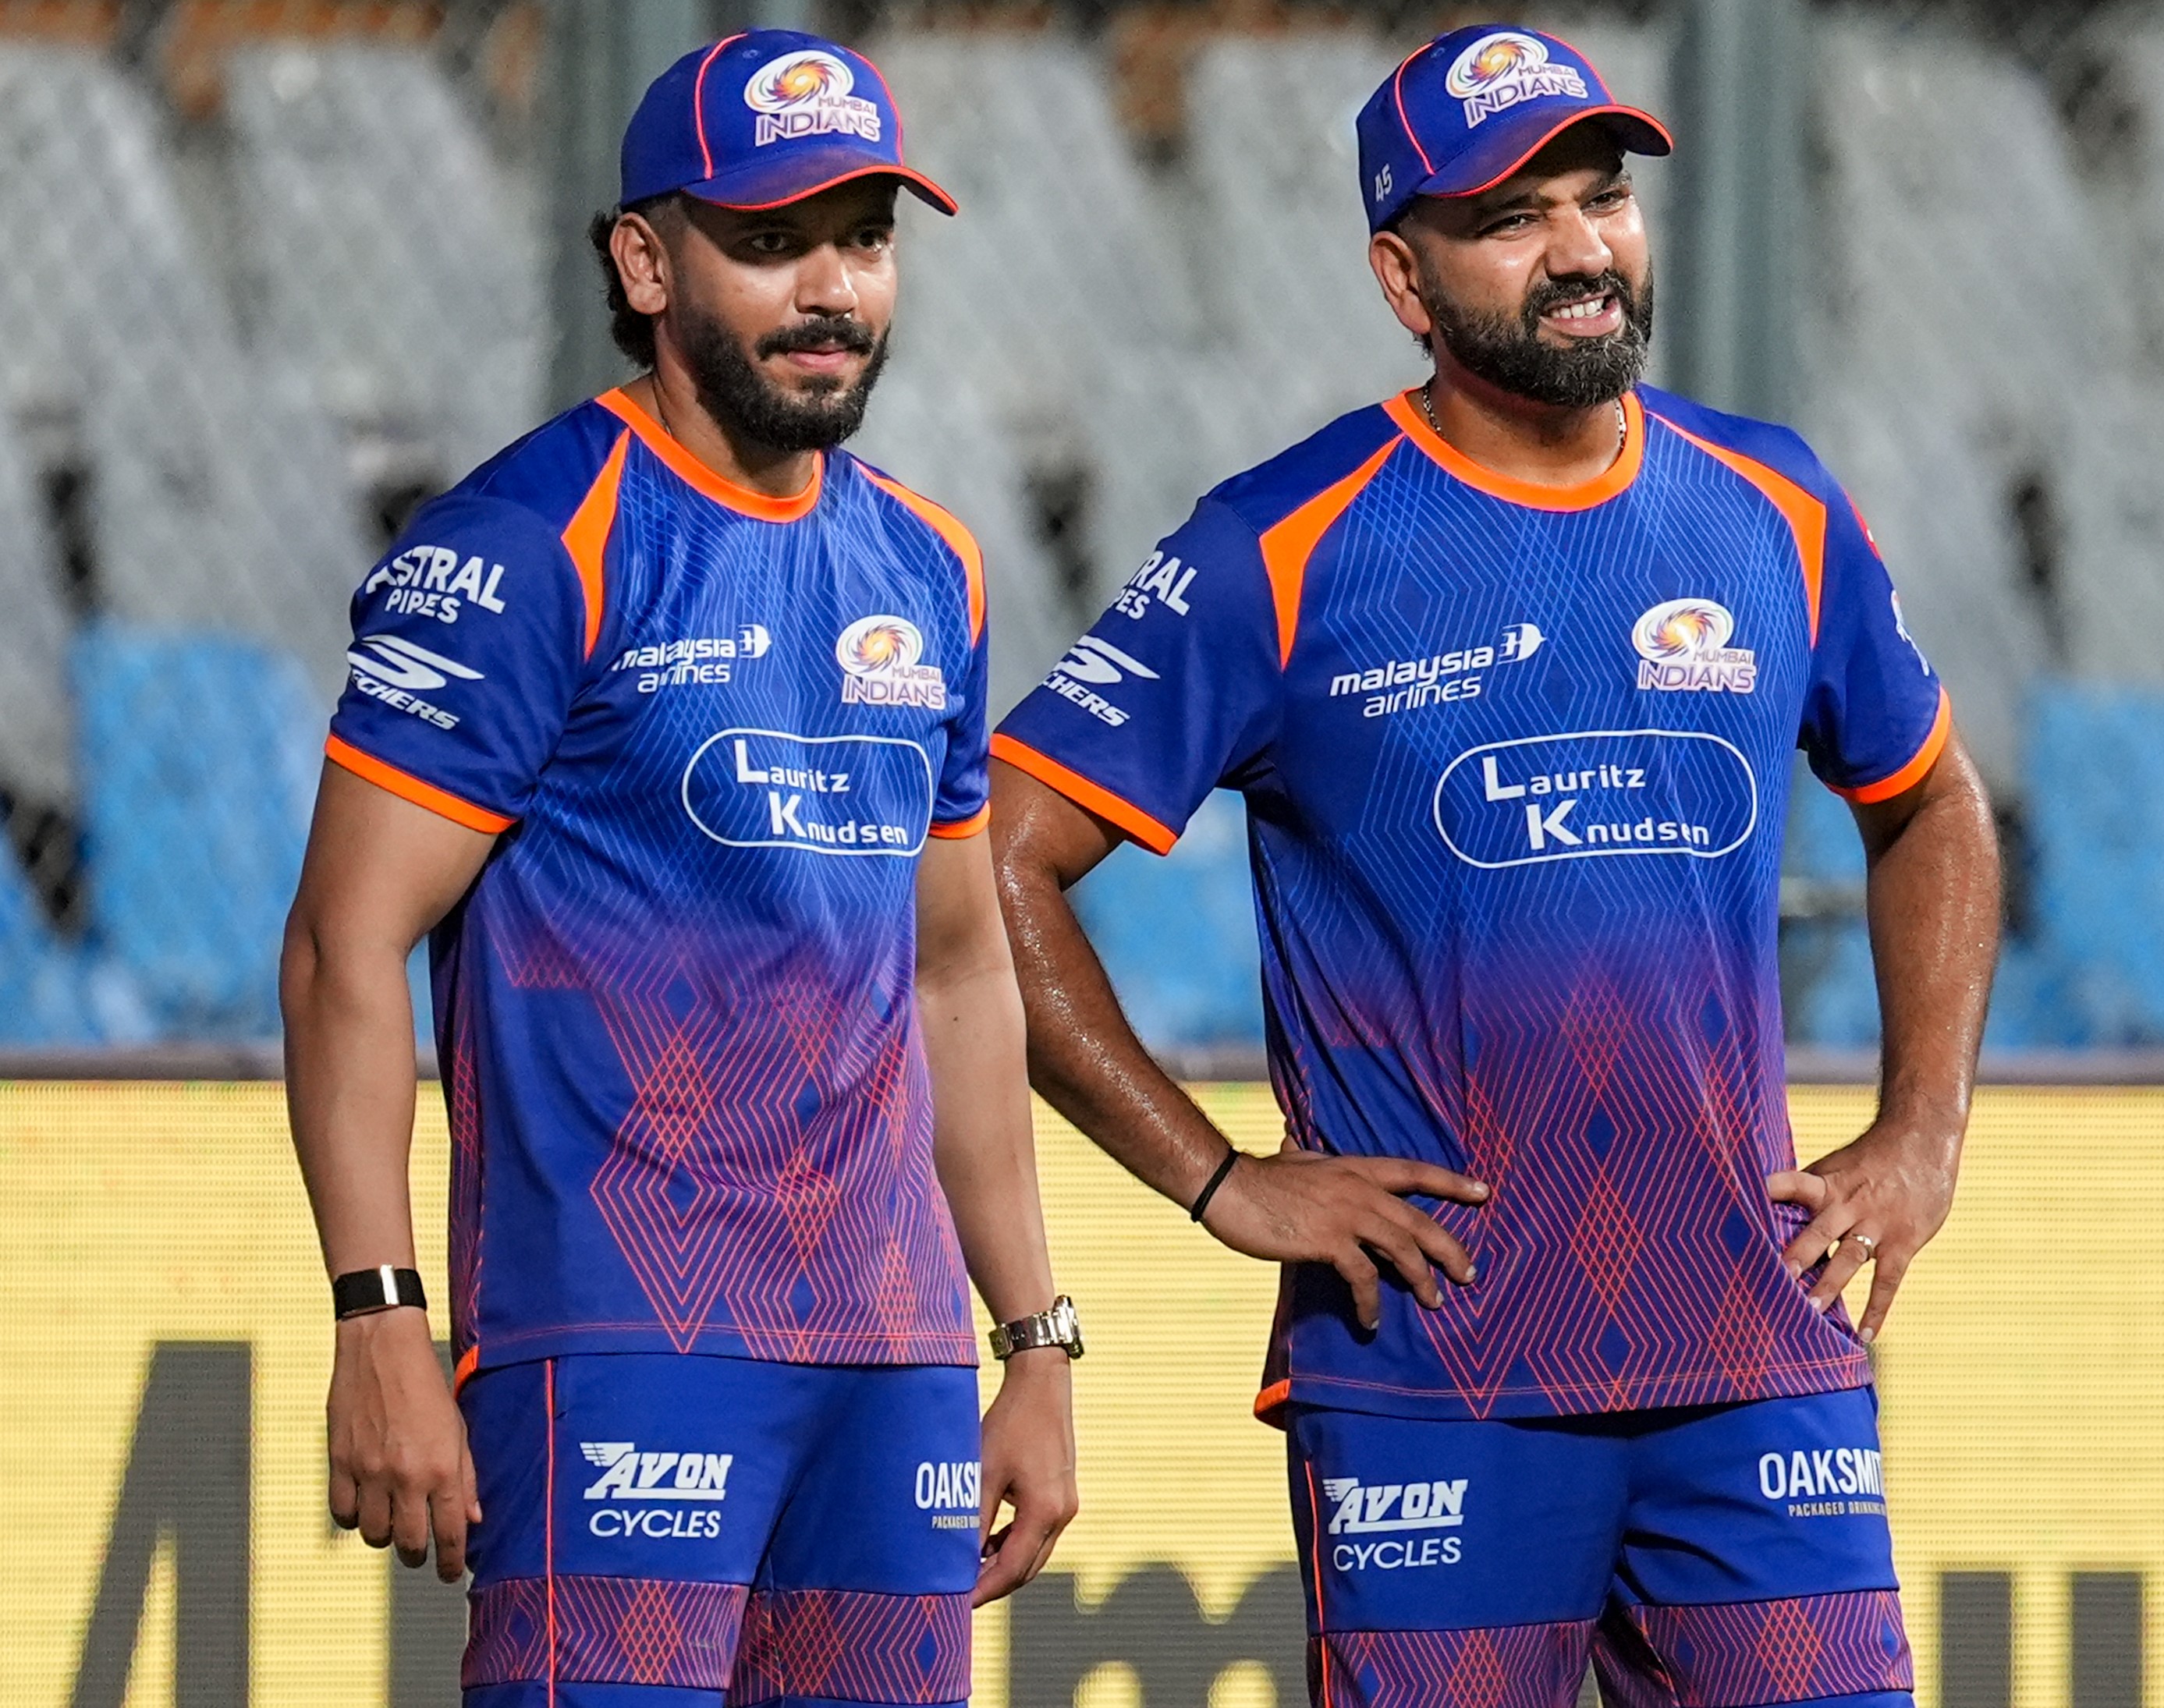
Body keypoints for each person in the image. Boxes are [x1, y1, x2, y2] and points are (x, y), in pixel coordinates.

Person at [985, 23, 1998, 1706]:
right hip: (1433, 1369)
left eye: (1602, 198)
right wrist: (1222, 1180)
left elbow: (1934, 803)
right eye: (1514, 217)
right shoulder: (1280, 545)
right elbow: (996, 862)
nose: (1585, 247)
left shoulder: (1776, 503)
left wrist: (1925, 1128)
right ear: (1404, 274)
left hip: (1757, 1350)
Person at [280, 31, 1074, 1704]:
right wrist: (377, 1317)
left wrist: (1033, 1337)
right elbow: (344, 949)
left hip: (891, 1351)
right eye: (772, 243)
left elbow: (954, 966)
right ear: (647, 263)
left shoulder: (931, 564)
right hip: (620, 1340)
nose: (831, 290)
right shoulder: (521, 547)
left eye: (863, 240)